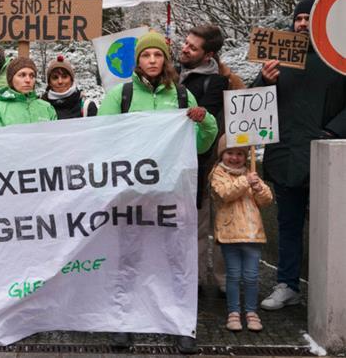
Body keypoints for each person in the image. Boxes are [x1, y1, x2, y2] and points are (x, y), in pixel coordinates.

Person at [98, 30, 217, 354]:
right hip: (132, 193)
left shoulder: (180, 96)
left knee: (176, 257)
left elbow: (202, 143)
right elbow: (99, 137)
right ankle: (122, 323)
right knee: (128, 258)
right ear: (137, 60)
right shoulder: (120, 95)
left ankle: (181, 324)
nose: (152, 60)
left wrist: (204, 121)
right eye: (146, 55)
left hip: (170, 192)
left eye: (157, 55)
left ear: (165, 59)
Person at [254, 0, 346, 310]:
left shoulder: (339, 57)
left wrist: (334, 131)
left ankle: (331, 290)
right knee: (288, 225)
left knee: (333, 229)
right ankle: (287, 285)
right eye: (299, 19)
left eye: (309, 18)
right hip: (285, 158)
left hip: (327, 158)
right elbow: (253, 108)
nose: (303, 24)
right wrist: (263, 80)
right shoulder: (279, 58)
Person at [178, 24, 240, 294]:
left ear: (208, 56)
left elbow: (205, 124)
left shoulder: (214, 82)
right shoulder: (174, 73)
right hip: (177, 166)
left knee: (201, 227)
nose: (184, 48)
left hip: (201, 166)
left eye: (192, 47)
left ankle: (201, 282)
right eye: (185, 42)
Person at [210, 137, 273, 333]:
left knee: (252, 277)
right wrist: (246, 182)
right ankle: (234, 312)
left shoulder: (250, 173)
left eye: (240, 154)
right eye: (230, 153)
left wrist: (259, 188)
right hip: (230, 235)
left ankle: (251, 312)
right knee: (234, 276)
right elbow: (225, 193)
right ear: (222, 154)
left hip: (252, 234)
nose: (235, 158)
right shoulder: (217, 174)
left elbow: (266, 200)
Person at [0, 57, 57, 127]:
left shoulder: (47, 108)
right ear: (11, 79)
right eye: (22, 75)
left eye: (32, 76)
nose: (28, 80)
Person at [41, 54, 97, 119]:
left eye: (64, 76)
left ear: (71, 80)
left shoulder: (87, 107)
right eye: (55, 77)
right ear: (49, 82)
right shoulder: (41, 108)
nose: (60, 81)